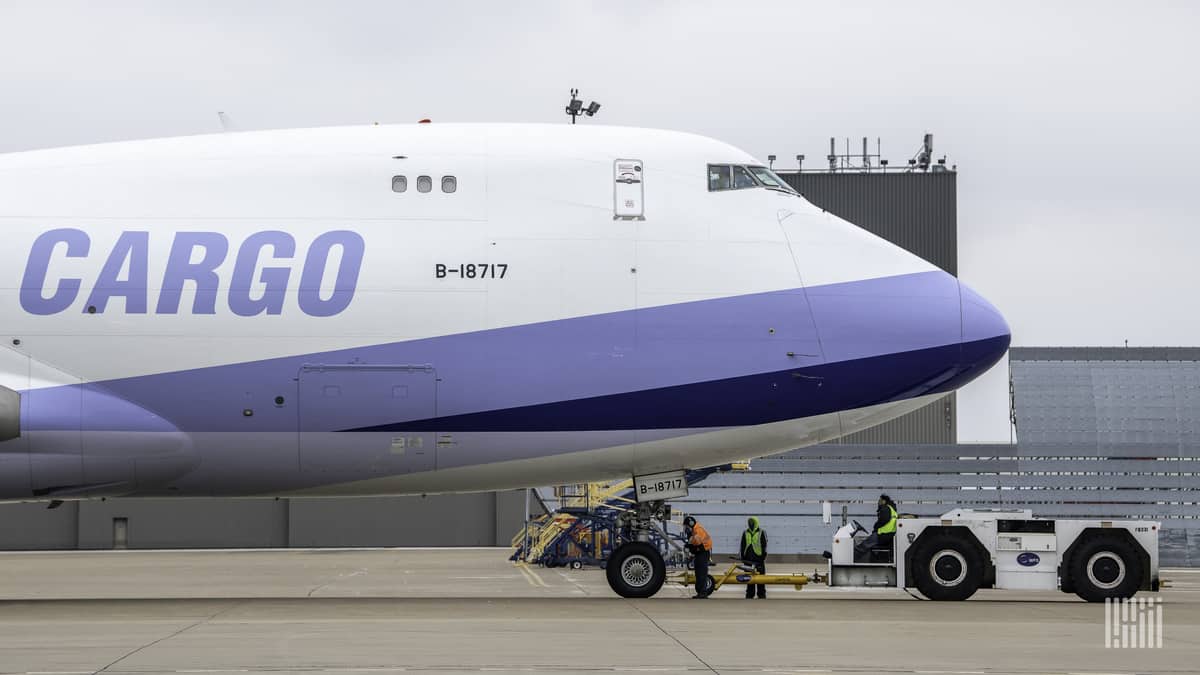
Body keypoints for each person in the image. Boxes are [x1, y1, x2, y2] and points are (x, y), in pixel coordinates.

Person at [855, 494, 898, 561]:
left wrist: (876, 527)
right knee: (866, 542)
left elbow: (883, 520)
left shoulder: (885, 508)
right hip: (888, 535)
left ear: (884, 501)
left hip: (882, 534)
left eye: (879, 500)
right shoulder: (892, 509)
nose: (878, 502)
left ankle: (850, 559)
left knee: (864, 545)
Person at [683, 515, 713, 598]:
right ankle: (700, 592)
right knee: (699, 573)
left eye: (687, 526)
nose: (686, 528)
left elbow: (698, 544)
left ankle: (703, 593)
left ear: (691, 524)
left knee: (701, 573)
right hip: (700, 553)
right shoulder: (694, 530)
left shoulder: (697, 530)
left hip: (703, 553)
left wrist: (690, 547)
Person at [740, 516, 768, 599]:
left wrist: (763, 557)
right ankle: (750, 594)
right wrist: (743, 557)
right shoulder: (745, 532)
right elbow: (742, 545)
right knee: (749, 578)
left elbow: (764, 545)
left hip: (758, 559)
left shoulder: (762, 532)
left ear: (756, 523)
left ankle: (761, 594)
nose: (750, 524)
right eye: (749, 522)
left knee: (761, 578)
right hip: (748, 559)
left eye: (752, 522)